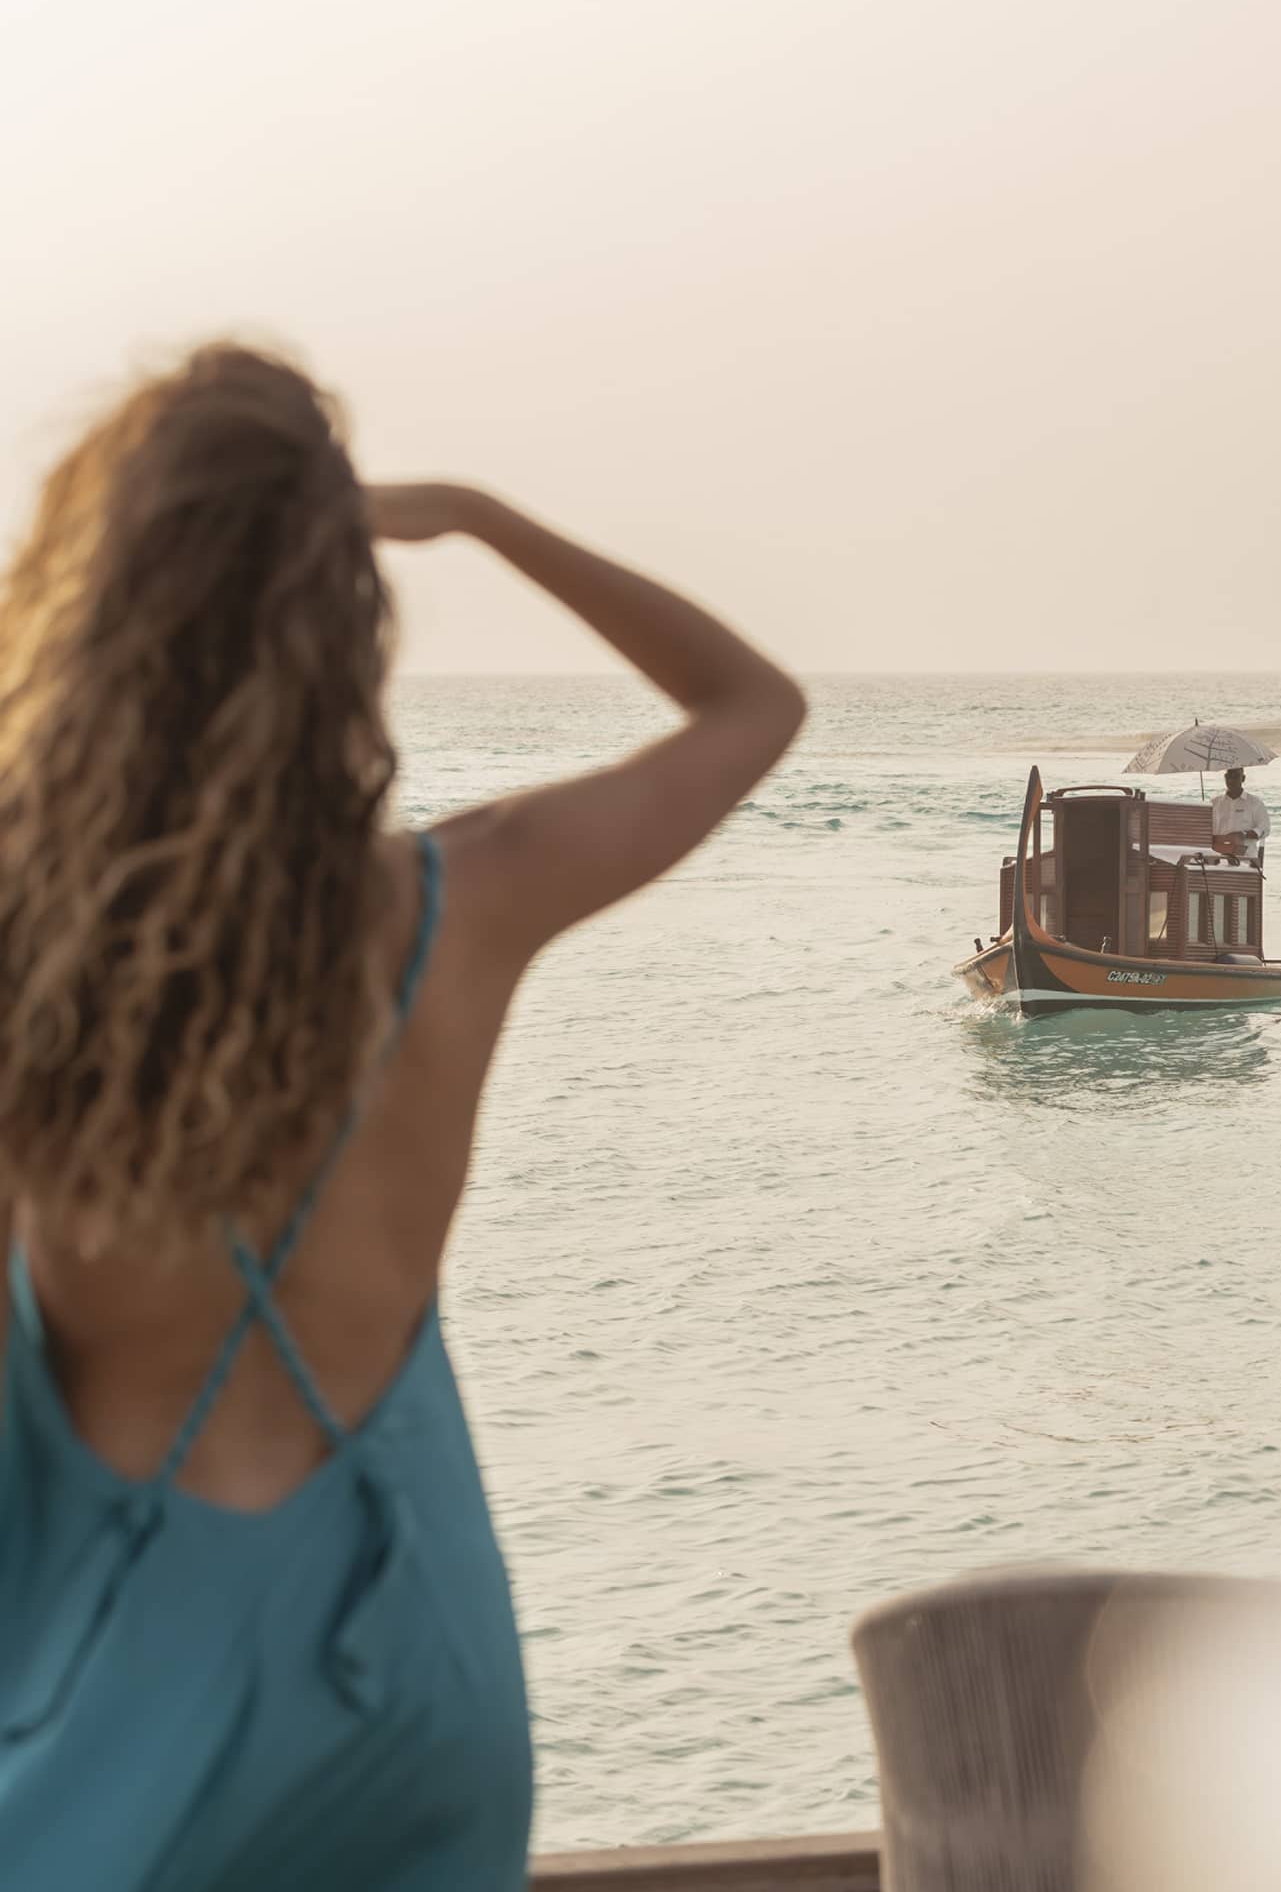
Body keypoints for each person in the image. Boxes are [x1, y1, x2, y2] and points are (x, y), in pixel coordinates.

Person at [0, 344, 805, 1890]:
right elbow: (751, 705)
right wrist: (481, 519)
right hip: (417, 1679)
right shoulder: (463, 903)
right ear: (339, 616)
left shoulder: (34, 962)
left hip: (129, 1692)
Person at [1210, 766, 1269, 865]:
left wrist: (1244, 835)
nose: (1231, 780)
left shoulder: (1255, 802)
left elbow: (1264, 829)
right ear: (1225, 777)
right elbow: (1206, 831)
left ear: (1243, 778)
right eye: (1229, 776)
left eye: (1236, 776)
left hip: (1247, 860)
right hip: (1218, 860)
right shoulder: (1214, 803)